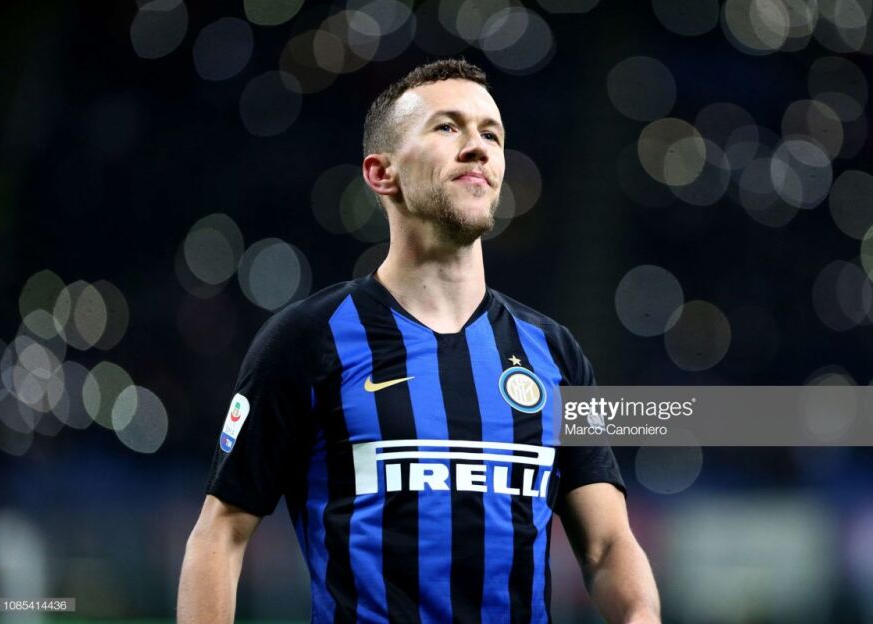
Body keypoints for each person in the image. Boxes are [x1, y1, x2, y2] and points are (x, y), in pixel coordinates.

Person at [177, 58, 660, 624]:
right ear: (381, 173)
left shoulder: (555, 354)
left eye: (492, 134)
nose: (478, 147)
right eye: (448, 127)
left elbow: (607, 545)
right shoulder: (307, 340)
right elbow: (221, 533)